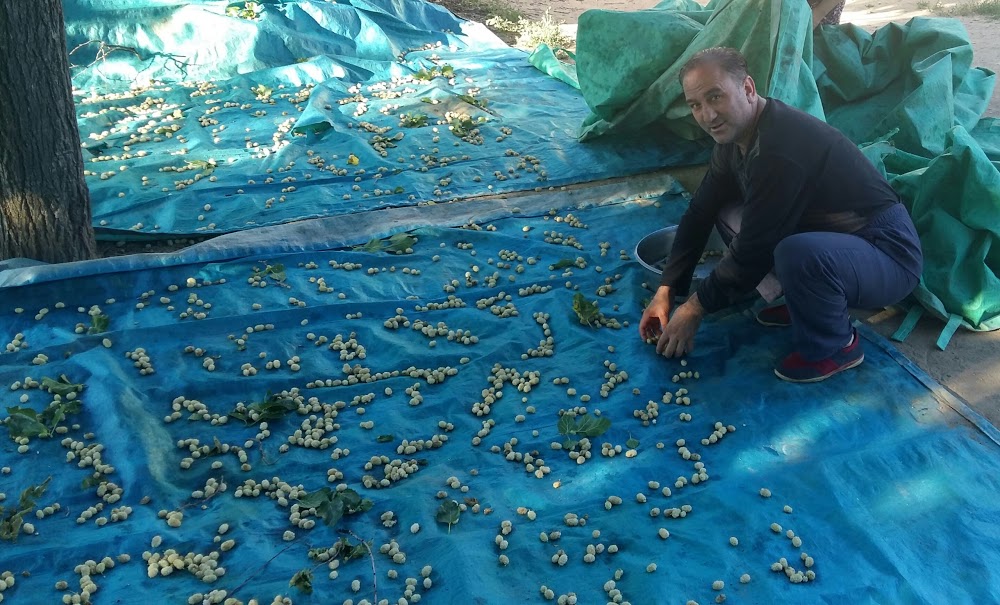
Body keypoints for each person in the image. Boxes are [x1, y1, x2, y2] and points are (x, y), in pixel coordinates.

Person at [638, 47, 923, 383]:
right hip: (841, 245)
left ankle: (836, 345)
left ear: (747, 88)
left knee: (795, 253)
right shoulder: (733, 140)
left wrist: (694, 308)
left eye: (716, 97)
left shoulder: (780, 147)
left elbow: (754, 249)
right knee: (727, 211)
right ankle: (810, 303)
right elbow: (701, 211)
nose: (708, 115)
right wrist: (667, 290)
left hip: (887, 253)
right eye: (696, 105)